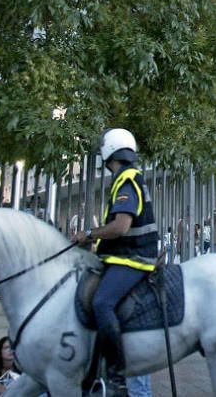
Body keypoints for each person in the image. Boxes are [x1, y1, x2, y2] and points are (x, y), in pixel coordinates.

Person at [71, 128, 159, 396]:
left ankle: (117, 376)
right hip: (122, 256)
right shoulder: (126, 178)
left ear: (109, 153)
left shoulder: (127, 179)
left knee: (102, 302)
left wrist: (88, 234)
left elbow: (121, 226)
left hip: (134, 258)